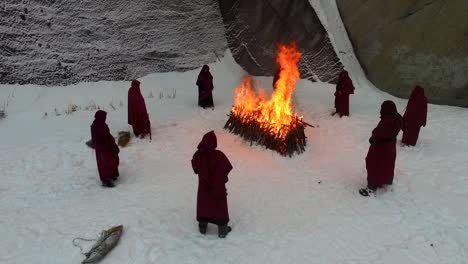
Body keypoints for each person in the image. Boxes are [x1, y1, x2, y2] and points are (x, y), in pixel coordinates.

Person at [191, 131, 233, 238]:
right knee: (219, 206)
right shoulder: (219, 155)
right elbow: (226, 168)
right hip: (217, 188)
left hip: (203, 189)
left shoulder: (198, 155)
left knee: (203, 204)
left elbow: (195, 168)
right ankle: (222, 230)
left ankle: (202, 227)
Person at [360, 101, 403, 196]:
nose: (381, 110)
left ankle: (371, 187)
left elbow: (379, 134)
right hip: (389, 148)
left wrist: (373, 138)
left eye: (382, 108)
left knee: (374, 165)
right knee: (386, 165)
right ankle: (384, 180)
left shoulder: (388, 121)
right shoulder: (396, 118)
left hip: (380, 148)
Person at [91, 110, 120, 188]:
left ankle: (112, 174)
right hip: (102, 148)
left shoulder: (102, 124)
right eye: (104, 117)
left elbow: (107, 135)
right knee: (104, 163)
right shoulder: (96, 125)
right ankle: (106, 180)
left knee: (112, 159)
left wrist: (112, 143)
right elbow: (98, 138)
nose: (105, 118)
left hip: (107, 146)